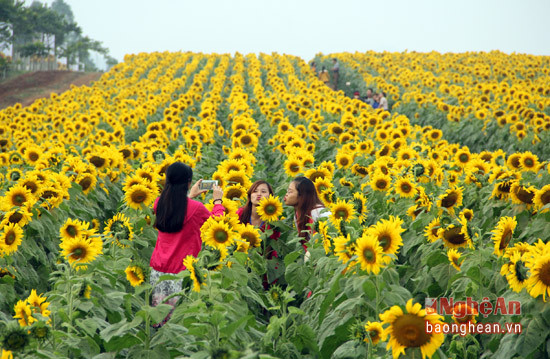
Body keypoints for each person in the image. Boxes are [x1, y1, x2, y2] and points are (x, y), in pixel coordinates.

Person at [150, 162, 224, 327]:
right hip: (181, 272)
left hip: (158, 269)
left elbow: (177, 208)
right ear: (189, 182)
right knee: (178, 322)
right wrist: (218, 201)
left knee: (159, 317)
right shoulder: (197, 209)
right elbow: (217, 223)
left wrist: (190, 195)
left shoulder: (159, 203)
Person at [283, 176, 330, 243]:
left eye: (290, 192)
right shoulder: (298, 214)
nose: (286, 194)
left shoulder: (318, 212)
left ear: (302, 195)